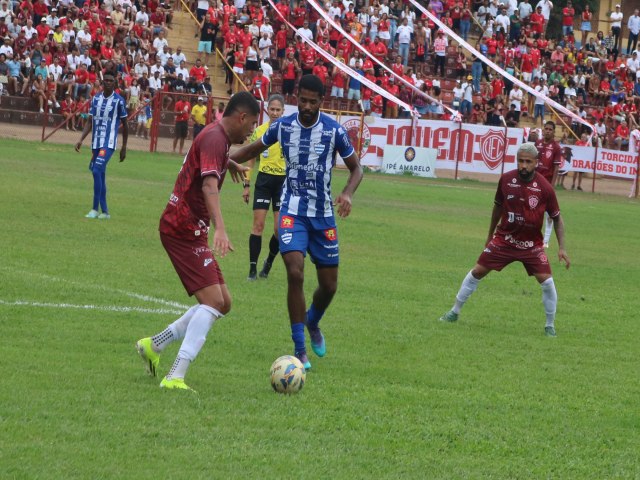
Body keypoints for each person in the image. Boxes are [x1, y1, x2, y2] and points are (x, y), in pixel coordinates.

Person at [230, 75, 364, 370]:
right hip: (291, 211)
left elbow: (357, 170)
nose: (305, 106)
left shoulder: (334, 131)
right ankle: (299, 350)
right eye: (301, 100)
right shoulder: (283, 126)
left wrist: (347, 193)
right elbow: (251, 150)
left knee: (329, 287)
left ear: (321, 102)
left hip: (323, 215)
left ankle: (313, 322)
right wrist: (224, 158)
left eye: (311, 102)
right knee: (295, 270)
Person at [135, 91, 260, 392]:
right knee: (214, 302)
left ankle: (154, 345)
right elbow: (207, 185)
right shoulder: (217, 138)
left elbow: (211, 158)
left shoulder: (217, 136)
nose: (252, 130)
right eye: (252, 123)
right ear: (241, 117)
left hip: (190, 228)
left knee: (223, 303)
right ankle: (175, 375)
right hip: (182, 229)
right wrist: (221, 228)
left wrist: (232, 165)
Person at [439, 143, 570, 337]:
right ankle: (454, 311)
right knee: (477, 272)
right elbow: (497, 208)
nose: (523, 166)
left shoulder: (545, 188)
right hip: (504, 240)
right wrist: (489, 235)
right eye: (520, 161)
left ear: (536, 162)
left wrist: (562, 248)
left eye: (528, 162)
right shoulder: (506, 180)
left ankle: (550, 326)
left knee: (547, 283)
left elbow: (557, 218)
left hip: (531, 245)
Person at [243, 94, 286, 281]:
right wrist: (246, 183)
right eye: (272, 109)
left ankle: (268, 263)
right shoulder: (259, 131)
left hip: (283, 183)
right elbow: (250, 160)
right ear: (267, 110)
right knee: (258, 225)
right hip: (263, 182)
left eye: (278, 110)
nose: (275, 113)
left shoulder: (289, 131)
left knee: (279, 230)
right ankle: (252, 269)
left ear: (283, 111)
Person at [74, 71, 128, 220]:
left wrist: (124, 147)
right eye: (107, 80)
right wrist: (81, 139)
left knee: (97, 170)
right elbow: (90, 121)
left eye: (112, 81)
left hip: (108, 143)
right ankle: (105, 212)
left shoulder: (119, 101)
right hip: (96, 143)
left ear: (115, 84)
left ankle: (94, 209)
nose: (109, 83)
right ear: (103, 83)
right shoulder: (95, 99)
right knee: (99, 174)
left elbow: (125, 124)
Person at [535, 121, 562, 248]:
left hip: (547, 183)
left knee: (550, 213)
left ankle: (545, 241)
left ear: (554, 131)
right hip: (536, 181)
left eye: (550, 129)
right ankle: (534, 237)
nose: (548, 131)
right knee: (533, 209)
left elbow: (556, 168)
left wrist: (552, 185)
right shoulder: (538, 143)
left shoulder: (556, 147)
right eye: (546, 129)